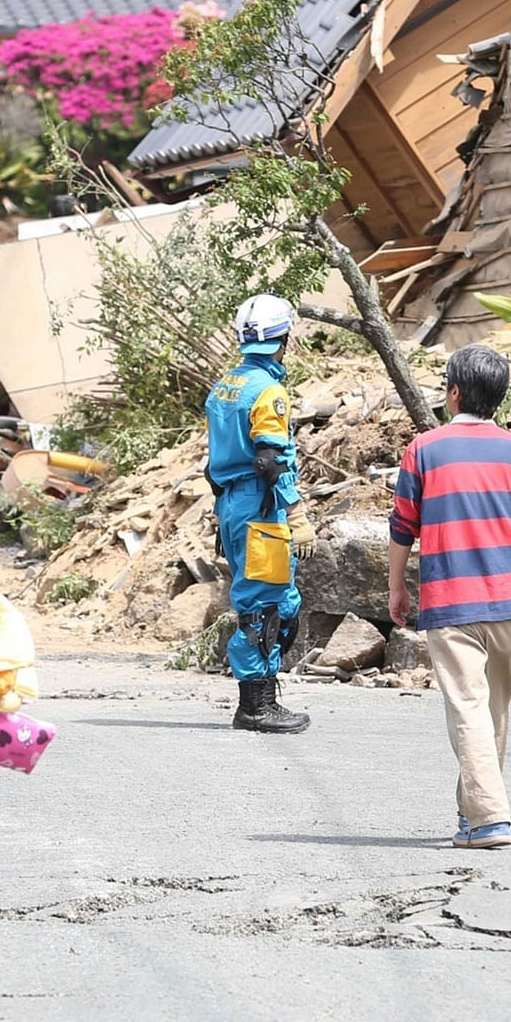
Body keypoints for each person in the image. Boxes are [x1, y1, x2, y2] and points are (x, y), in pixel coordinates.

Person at [387, 345, 511, 850]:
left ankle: (490, 818)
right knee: (495, 710)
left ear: (453, 392)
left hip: (453, 602)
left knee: (468, 708)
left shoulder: (423, 450)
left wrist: (396, 586)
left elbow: (404, 524)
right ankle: (472, 818)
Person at [204, 294, 317, 733]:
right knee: (264, 605)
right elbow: (270, 461)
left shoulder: (224, 386)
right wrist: (298, 511)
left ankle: (263, 694)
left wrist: (225, 512)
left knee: (279, 600)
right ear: (283, 339)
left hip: (233, 503)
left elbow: (213, 459)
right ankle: (255, 706)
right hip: (260, 506)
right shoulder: (268, 390)